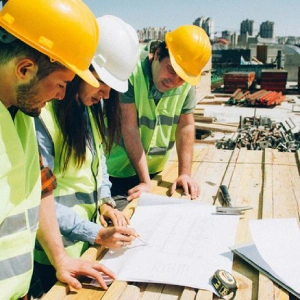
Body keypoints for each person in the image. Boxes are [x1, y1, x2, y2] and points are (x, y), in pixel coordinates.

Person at [0, 1, 115, 299]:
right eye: (61, 83)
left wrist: (61, 259)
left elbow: (41, 189)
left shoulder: (21, 116)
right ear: (25, 69)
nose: (62, 95)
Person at [32, 15, 140, 295]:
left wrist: (104, 202)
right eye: (101, 82)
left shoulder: (86, 107)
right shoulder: (42, 116)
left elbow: (98, 164)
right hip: (51, 255)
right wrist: (95, 233)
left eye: (111, 88)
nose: (105, 93)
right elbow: (40, 199)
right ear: (81, 67)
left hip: (84, 248)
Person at [105, 25, 212, 208]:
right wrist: (145, 181)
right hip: (116, 171)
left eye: (183, 77)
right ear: (157, 53)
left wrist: (184, 173)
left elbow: (185, 126)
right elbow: (129, 127)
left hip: (155, 169)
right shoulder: (131, 71)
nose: (175, 82)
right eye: (171, 70)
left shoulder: (184, 84)